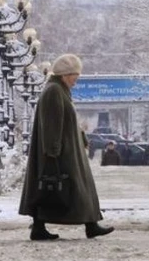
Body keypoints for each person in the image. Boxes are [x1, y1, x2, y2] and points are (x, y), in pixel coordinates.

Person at [18, 53, 114, 241]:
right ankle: (89, 225)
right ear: (64, 74)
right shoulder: (54, 91)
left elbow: (67, 120)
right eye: (74, 77)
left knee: (62, 189)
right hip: (62, 152)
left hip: (67, 150)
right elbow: (53, 124)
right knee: (65, 189)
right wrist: (52, 153)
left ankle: (88, 224)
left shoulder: (59, 90)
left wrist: (81, 137)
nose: (75, 82)